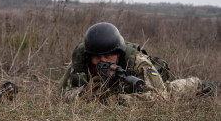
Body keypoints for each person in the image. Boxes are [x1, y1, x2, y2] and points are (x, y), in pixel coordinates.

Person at [60, 22, 217, 105]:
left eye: (108, 56)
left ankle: (197, 85)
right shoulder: (80, 61)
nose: (103, 62)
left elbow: (159, 97)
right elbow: (61, 94)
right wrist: (85, 93)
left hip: (140, 84)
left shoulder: (137, 62)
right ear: (89, 56)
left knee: (169, 92)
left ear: (119, 54)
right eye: (97, 58)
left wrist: (118, 100)